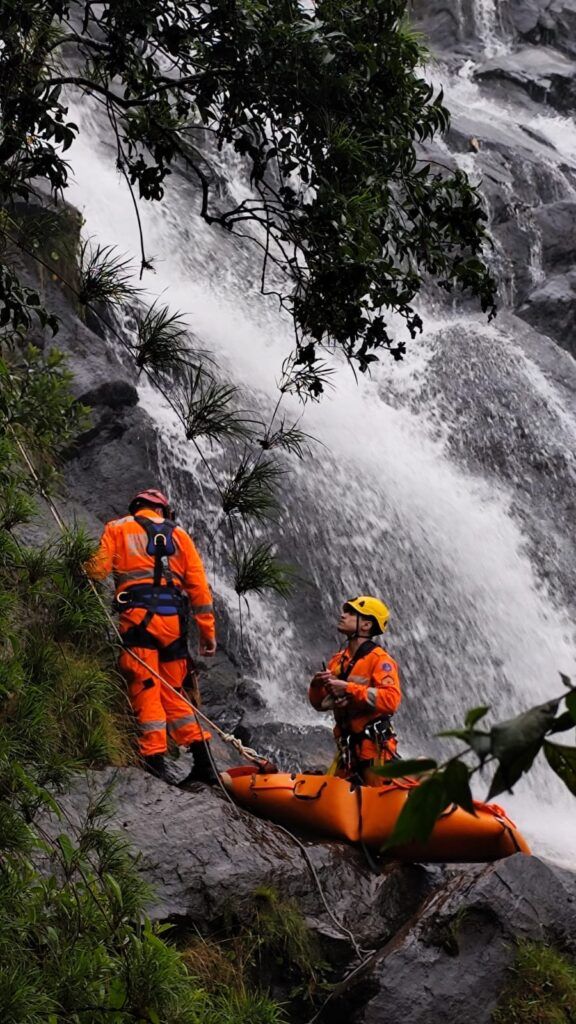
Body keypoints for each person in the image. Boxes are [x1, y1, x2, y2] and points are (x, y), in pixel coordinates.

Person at [86, 488, 218, 786]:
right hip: (174, 626)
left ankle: (154, 759)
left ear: (137, 507)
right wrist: (208, 633)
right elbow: (199, 589)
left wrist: (77, 565)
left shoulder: (117, 528)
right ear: (162, 511)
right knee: (174, 691)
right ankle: (204, 762)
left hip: (138, 622)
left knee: (146, 685)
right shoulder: (180, 536)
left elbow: (96, 570)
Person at [309, 596, 401, 786]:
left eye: (351, 613)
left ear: (366, 624)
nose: (343, 616)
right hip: (347, 751)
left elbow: (391, 700)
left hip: (374, 750)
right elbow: (319, 704)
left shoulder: (380, 660)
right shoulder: (338, 661)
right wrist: (316, 685)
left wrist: (348, 689)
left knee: (376, 802)